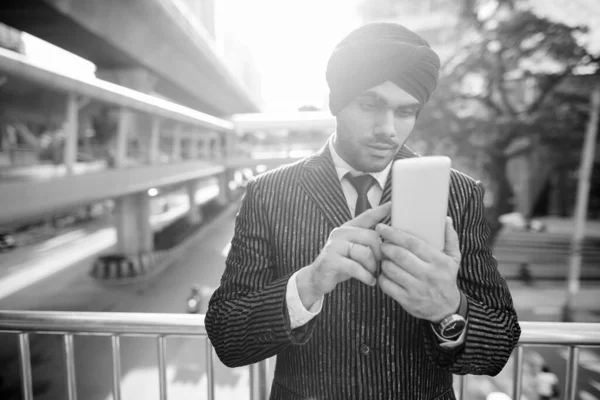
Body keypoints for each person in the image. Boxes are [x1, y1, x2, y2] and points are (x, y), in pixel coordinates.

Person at [206, 22, 521, 399]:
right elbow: (227, 336)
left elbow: (500, 342)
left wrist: (450, 310)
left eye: (406, 111)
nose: (388, 129)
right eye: (370, 105)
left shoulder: (460, 194)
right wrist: (309, 283)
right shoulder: (268, 193)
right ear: (337, 102)